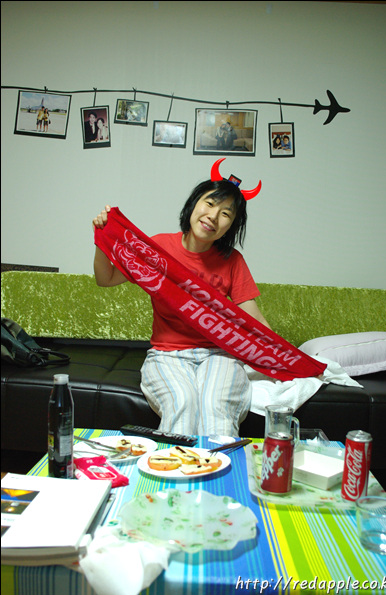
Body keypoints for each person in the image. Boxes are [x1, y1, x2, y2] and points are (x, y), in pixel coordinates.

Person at [92, 169, 270, 436]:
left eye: (225, 213)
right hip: (167, 355)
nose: (213, 216)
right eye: (209, 203)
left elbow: (255, 320)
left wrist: (289, 360)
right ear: (193, 204)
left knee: (216, 408)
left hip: (219, 355)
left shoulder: (233, 261)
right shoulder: (158, 248)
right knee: (183, 404)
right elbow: (105, 279)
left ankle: (221, 464)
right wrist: (102, 238)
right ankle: (174, 464)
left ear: (231, 226)